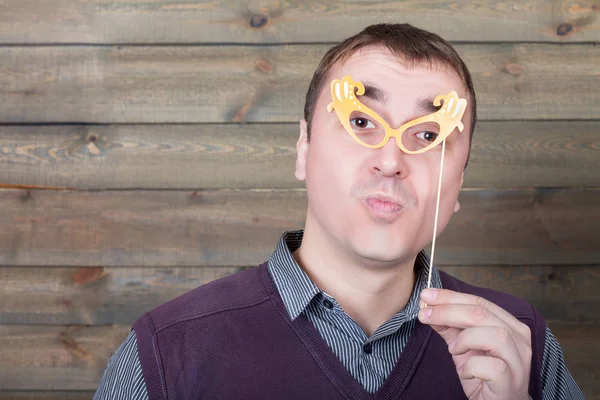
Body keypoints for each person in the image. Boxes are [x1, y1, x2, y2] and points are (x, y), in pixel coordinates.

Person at [94, 23, 585, 399]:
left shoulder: (521, 345)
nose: (392, 161)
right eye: (360, 122)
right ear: (304, 148)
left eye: (429, 136)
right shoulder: (165, 351)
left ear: (458, 184)